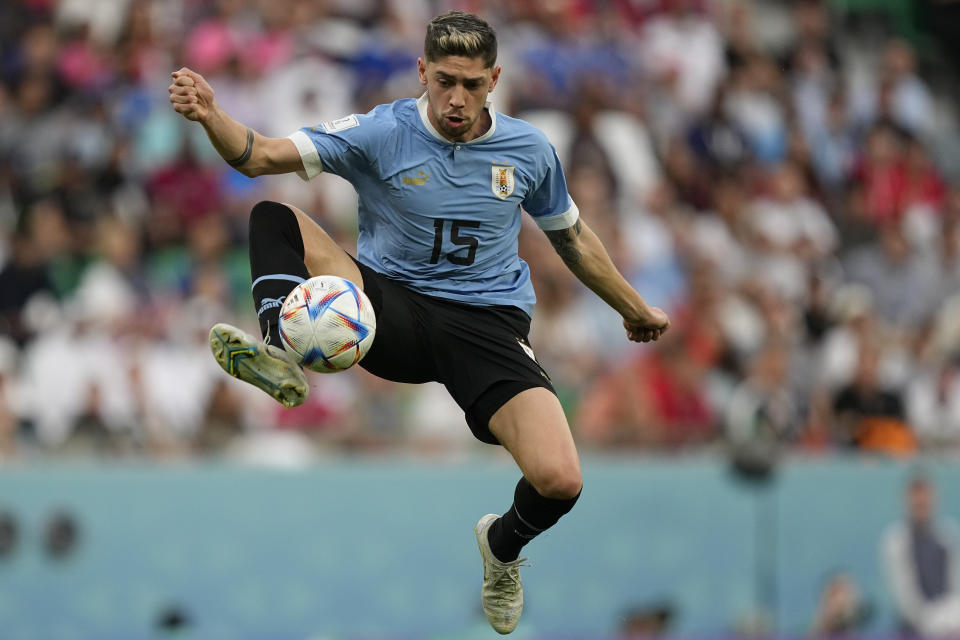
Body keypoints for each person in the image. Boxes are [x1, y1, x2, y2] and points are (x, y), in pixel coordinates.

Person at [168, 11, 669, 635]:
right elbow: (260, 155)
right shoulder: (381, 131)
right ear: (422, 72)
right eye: (445, 82)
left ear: (495, 79)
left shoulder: (529, 150)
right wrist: (212, 115)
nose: (457, 98)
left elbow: (574, 240)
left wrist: (632, 306)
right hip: (390, 307)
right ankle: (277, 348)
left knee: (560, 480)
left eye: (473, 84)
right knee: (273, 217)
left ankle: (502, 549)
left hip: (487, 325)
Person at [882, 474, 960, 637]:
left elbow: (956, 584)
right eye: (916, 499)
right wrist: (930, 622)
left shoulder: (948, 536)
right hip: (914, 629)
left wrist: (950, 618)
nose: (921, 503)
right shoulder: (896, 541)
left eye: (925, 498)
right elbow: (905, 597)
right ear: (907, 501)